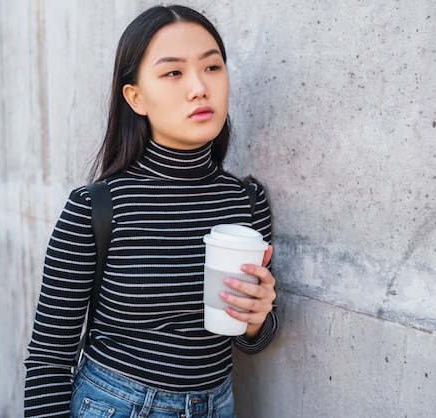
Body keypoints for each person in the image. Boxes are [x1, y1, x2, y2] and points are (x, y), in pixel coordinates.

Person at [24, 5, 277, 417]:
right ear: (136, 97)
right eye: (173, 72)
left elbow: (256, 339)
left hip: (218, 404)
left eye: (212, 68)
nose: (198, 87)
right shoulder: (96, 207)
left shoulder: (246, 200)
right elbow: (49, 360)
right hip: (115, 404)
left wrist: (256, 315)